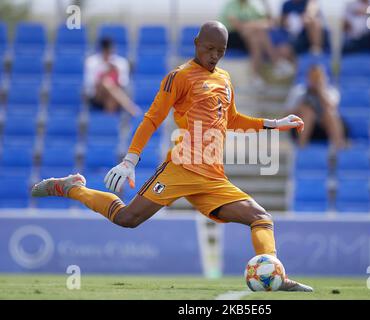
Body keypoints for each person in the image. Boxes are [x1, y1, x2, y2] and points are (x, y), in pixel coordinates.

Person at [32, 21, 313, 292]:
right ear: (196, 44)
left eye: (221, 51)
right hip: (180, 168)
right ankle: (71, 188)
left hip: (213, 177)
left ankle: (276, 276)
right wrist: (131, 160)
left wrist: (274, 124)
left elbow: (233, 119)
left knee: (261, 217)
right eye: (209, 48)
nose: (214, 56)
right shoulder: (179, 76)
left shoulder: (225, 79)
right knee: (128, 219)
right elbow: (152, 118)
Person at [220, 0, 295, 85]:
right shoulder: (231, 5)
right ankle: (276, 62)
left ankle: (255, 75)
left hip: (247, 38)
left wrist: (265, 4)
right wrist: (258, 25)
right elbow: (238, 26)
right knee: (256, 32)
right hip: (231, 37)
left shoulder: (251, 7)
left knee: (257, 38)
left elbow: (270, 22)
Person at [285, 64, 346, 149]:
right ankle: (301, 148)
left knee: (329, 114)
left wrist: (320, 92)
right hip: (301, 127)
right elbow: (288, 114)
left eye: (318, 77)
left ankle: (339, 146)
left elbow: (332, 108)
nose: (315, 80)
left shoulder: (331, 92)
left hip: (324, 128)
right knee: (307, 112)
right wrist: (301, 107)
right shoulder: (298, 91)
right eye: (313, 77)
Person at [84, 37, 141, 116]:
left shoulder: (121, 62)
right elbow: (90, 84)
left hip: (115, 95)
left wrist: (116, 73)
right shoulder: (92, 62)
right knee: (106, 83)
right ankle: (132, 109)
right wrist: (105, 73)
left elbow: (124, 84)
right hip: (97, 96)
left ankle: (107, 122)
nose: (108, 54)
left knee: (111, 95)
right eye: (106, 51)